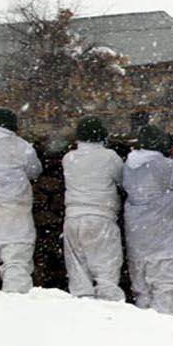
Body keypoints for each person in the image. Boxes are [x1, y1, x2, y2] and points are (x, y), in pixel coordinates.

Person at [123, 125, 173, 315]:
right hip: (164, 243)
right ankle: (161, 337)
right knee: (166, 291)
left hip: (138, 242)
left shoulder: (129, 166)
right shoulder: (163, 165)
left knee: (142, 293)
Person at [62, 116, 126, 301]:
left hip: (73, 218)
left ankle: (83, 308)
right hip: (101, 217)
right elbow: (123, 181)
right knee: (106, 271)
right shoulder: (109, 157)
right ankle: (109, 311)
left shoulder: (69, 158)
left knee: (78, 273)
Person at [0, 108, 43, 293]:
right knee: (16, 261)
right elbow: (35, 170)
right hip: (13, 210)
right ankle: (16, 305)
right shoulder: (21, 146)